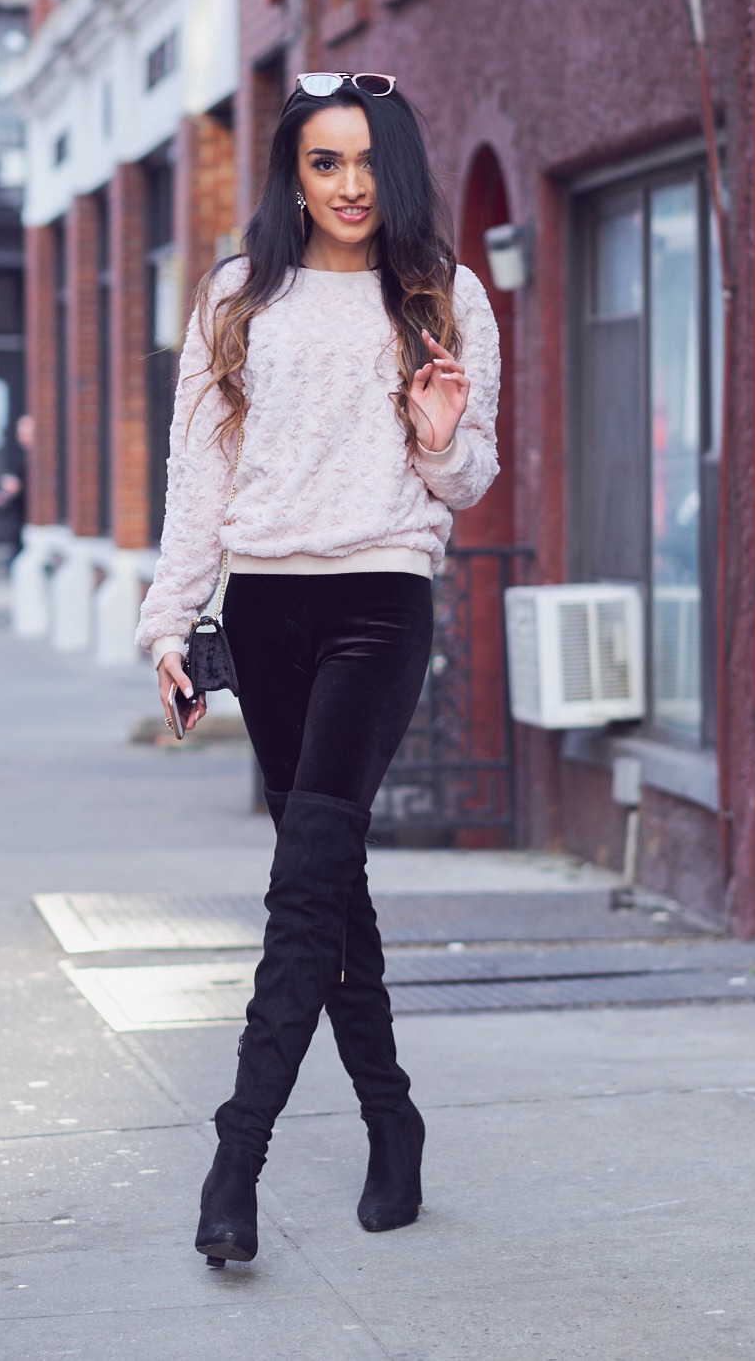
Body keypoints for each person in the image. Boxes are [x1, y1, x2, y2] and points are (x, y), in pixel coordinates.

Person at [135, 72, 500, 1265]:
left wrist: (444, 440)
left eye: (364, 163)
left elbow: (466, 482)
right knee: (330, 886)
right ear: (294, 176)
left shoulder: (445, 301)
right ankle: (394, 1125)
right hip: (268, 613)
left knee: (302, 894)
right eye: (322, 163)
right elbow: (200, 483)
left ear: (395, 170)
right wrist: (167, 623)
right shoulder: (237, 299)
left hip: (379, 604)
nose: (348, 186)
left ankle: (233, 1166)